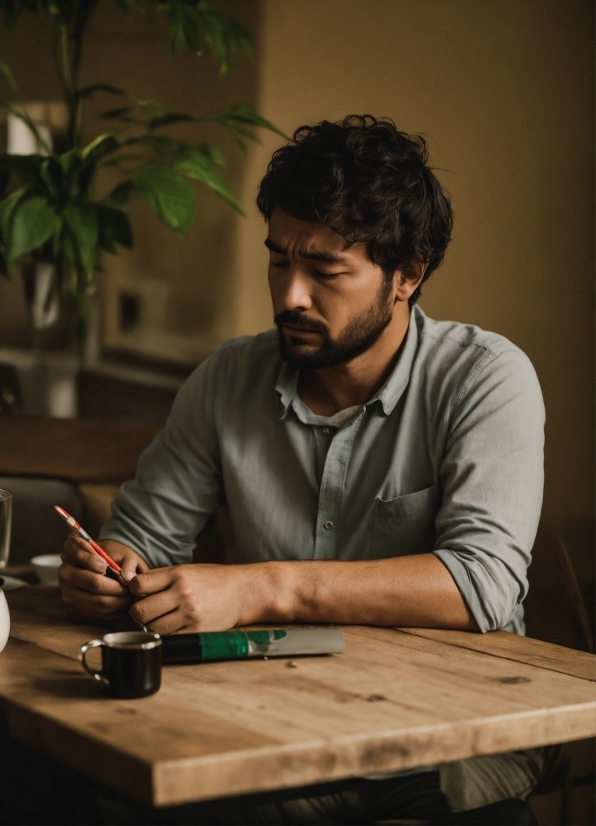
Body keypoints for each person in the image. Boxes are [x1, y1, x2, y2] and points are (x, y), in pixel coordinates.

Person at [58, 116, 544, 824]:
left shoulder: (484, 378)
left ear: (409, 273)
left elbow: (483, 586)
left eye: (326, 271)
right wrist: (109, 571)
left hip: (442, 736)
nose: (290, 295)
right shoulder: (228, 377)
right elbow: (143, 540)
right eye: (279, 260)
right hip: (264, 718)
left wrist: (264, 588)